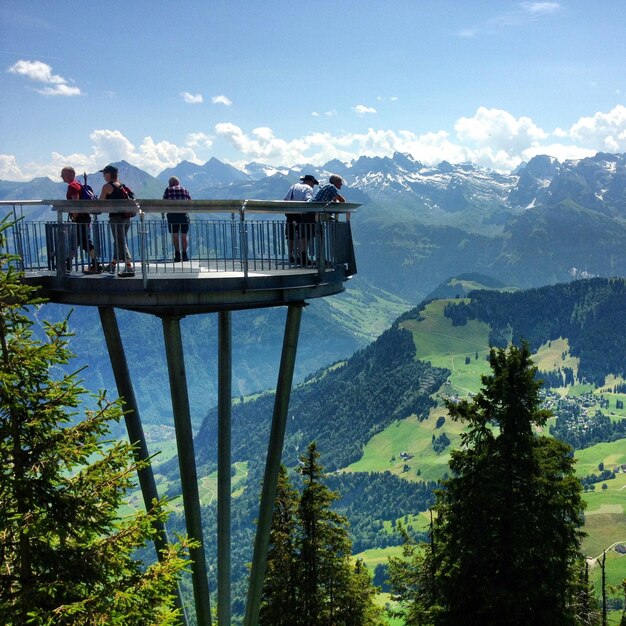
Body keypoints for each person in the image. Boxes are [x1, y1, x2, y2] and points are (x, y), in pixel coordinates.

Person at [99, 164, 135, 277]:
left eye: (104, 174)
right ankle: (113, 265)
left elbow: (100, 202)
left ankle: (129, 268)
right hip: (127, 217)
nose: (103, 176)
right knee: (119, 241)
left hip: (116, 218)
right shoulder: (122, 185)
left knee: (120, 242)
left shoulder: (107, 187)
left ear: (109, 174)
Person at [60, 166, 98, 273]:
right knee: (77, 242)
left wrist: (74, 218)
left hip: (79, 219)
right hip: (85, 217)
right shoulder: (78, 184)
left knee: (83, 243)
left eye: (63, 174)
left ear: (70, 174)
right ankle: (68, 263)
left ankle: (96, 263)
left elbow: (76, 204)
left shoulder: (72, 186)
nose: (61, 176)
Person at [284, 174, 318, 264]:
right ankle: (302, 255)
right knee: (302, 234)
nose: (313, 185)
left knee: (290, 234)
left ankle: (290, 256)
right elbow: (308, 200)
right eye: (313, 183)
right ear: (310, 181)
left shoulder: (294, 186)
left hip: (290, 212)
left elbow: (286, 199)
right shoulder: (308, 188)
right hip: (301, 214)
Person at [163, 176, 191, 262]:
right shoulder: (185, 189)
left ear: (171, 183)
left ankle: (177, 255)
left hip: (172, 215)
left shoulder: (168, 189)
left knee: (175, 236)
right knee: (184, 237)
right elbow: (190, 202)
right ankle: (185, 254)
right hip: (183, 216)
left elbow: (164, 201)